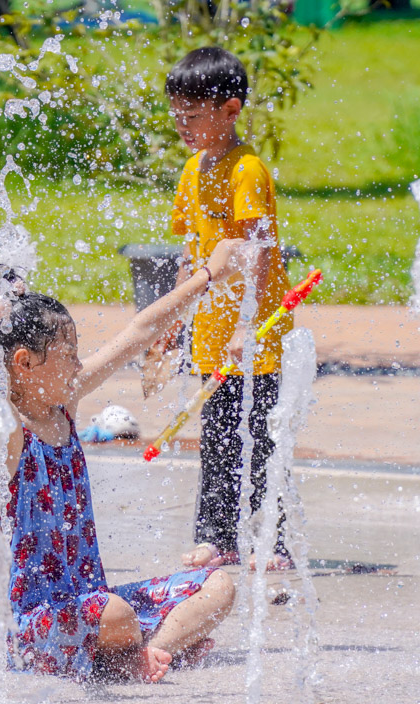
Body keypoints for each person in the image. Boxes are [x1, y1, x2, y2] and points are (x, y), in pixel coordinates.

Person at [0, 241, 249, 683]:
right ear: (24, 363)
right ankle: (132, 650)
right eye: (68, 354)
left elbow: (139, 331)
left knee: (218, 586)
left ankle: (145, 652)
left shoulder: (64, 405)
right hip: (20, 627)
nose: (80, 363)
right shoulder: (9, 432)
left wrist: (209, 275)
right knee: (115, 614)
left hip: (88, 607)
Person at [162, 46, 297, 571]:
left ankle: (273, 540)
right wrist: (175, 317)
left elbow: (259, 250)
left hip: (254, 329)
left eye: (193, 117)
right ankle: (216, 537)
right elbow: (193, 250)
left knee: (261, 438)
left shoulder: (247, 171)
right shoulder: (193, 170)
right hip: (213, 330)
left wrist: (251, 325)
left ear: (231, 110)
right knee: (217, 435)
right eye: (177, 117)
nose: (184, 127)